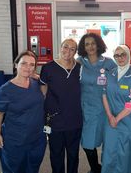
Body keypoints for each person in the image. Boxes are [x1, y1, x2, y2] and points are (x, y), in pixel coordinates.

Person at [0, 50, 46, 173]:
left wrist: (38, 77)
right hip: (15, 141)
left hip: (37, 139)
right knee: (15, 169)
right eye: (24, 63)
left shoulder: (35, 84)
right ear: (16, 65)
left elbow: (45, 91)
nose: (28, 67)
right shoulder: (5, 90)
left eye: (32, 65)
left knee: (33, 168)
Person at [40, 38, 82, 173]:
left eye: (72, 49)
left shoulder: (80, 68)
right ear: (60, 47)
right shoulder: (48, 68)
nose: (67, 51)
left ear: (76, 52)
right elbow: (43, 93)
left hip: (75, 120)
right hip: (55, 120)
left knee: (73, 155)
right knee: (56, 154)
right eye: (65, 47)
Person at [101, 45, 131, 173]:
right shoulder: (110, 74)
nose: (120, 58)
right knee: (110, 153)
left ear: (128, 55)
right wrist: (110, 117)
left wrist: (117, 118)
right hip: (111, 122)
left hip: (130, 122)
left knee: (127, 155)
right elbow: (104, 95)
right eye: (117, 55)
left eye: (123, 54)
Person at [77, 32, 116, 173]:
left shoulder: (108, 62)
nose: (90, 46)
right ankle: (96, 168)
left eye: (93, 43)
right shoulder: (79, 62)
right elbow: (64, 76)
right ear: (83, 47)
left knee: (109, 141)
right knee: (88, 143)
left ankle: (107, 168)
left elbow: (120, 78)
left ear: (98, 44)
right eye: (87, 44)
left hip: (106, 108)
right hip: (86, 108)